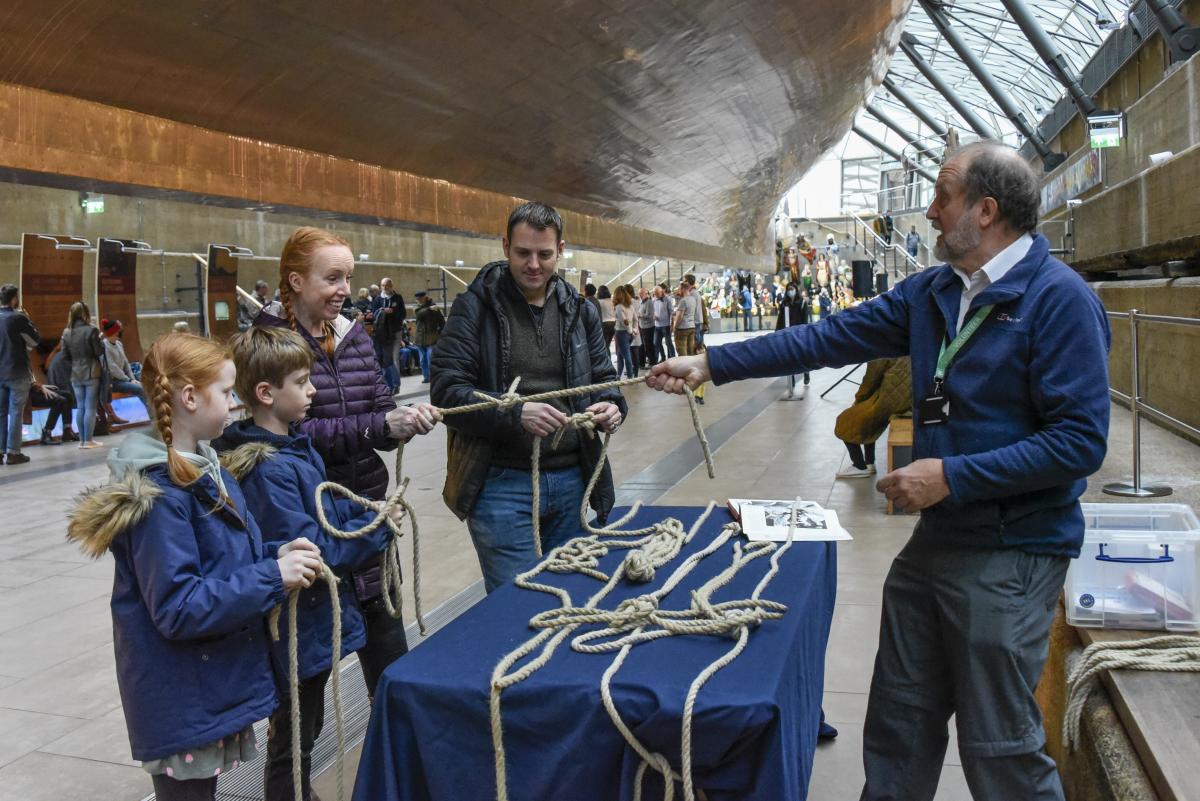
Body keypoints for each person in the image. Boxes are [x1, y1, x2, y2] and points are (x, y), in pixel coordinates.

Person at [647, 141, 1111, 801]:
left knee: (999, 746)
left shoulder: (1059, 301)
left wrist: (950, 475)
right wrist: (715, 364)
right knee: (900, 721)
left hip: (1013, 551)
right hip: (937, 544)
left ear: (985, 209)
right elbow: (828, 336)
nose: (929, 209)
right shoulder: (932, 294)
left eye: (943, 194)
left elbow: (1078, 441)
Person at [66, 331, 324, 801]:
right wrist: (271, 577)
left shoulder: (206, 467)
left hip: (206, 684)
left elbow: (225, 563)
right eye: (226, 393)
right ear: (189, 397)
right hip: (182, 694)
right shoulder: (161, 495)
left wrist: (275, 556)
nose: (236, 404)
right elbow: (179, 606)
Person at [214, 327, 403, 801]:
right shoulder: (268, 468)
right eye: (302, 382)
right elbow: (314, 548)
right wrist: (376, 531)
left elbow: (326, 512)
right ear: (266, 394)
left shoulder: (296, 448)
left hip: (311, 626)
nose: (313, 390)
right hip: (295, 630)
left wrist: (366, 514)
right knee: (295, 735)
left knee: (304, 726)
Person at [255, 226, 440, 696]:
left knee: (390, 660)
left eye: (349, 278)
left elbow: (379, 405)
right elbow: (289, 436)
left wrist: (402, 420)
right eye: (333, 278)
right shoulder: (270, 344)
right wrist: (377, 427)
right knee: (306, 693)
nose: (345, 291)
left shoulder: (353, 333)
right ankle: (291, 769)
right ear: (296, 281)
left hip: (370, 518)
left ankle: (393, 763)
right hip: (310, 527)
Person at [431, 201, 627, 593]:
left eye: (544, 254)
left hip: (573, 477)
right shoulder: (474, 308)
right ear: (505, 247)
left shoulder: (579, 310)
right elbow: (447, 392)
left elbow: (605, 378)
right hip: (501, 483)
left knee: (574, 595)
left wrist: (611, 405)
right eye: (523, 253)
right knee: (516, 601)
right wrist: (513, 413)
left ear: (561, 250)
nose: (534, 264)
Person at [834, 357, 912, 477]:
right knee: (869, 417)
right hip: (911, 401)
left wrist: (859, 399)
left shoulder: (882, 346)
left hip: (891, 401)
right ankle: (870, 462)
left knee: (845, 420)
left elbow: (871, 380)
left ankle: (859, 466)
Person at [0, 284, 39, 465]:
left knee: (1, 413)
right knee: (16, 412)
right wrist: (28, 320)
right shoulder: (18, 318)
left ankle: (0, 452)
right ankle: (13, 452)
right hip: (17, 371)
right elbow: (34, 340)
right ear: (14, 299)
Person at [61, 301, 105, 449]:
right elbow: (99, 352)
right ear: (85, 313)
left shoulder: (66, 332)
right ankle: (89, 440)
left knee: (80, 407)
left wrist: (74, 366)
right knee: (90, 407)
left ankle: (81, 441)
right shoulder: (91, 330)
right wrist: (100, 340)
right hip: (91, 372)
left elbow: (64, 355)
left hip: (75, 374)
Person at [101, 319, 151, 420]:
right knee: (139, 389)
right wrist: (128, 380)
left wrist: (133, 379)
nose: (120, 332)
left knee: (145, 385)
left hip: (123, 379)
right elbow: (113, 368)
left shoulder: (119, 344)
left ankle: (155, 412)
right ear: (113, 332)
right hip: (112, 382)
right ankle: (153, 416)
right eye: (118, 330)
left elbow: (126, 364)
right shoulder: (104, 346)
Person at [373, 277, 407, 394]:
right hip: (382, 333)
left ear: (391, 286)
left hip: (395, 331)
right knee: (384, 359)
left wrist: (393, 312)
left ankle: (396, 384)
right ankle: (388, 384)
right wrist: (381, 311)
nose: (385, 288)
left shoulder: (397, 298)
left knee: (393, 358)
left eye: (387, 285)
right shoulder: (378, 299)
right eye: (382, 286)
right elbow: (374, 313)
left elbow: (403, 314)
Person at [774, 283, 811, 387]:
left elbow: (805, 319)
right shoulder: (784, 303)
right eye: (788, 289)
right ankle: (792, 378)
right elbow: (780, 318)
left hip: (800, 333)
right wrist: (777, 331)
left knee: (802, 356)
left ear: (796, 290)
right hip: (788, 334)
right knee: (790, 357)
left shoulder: (802, 303)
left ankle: (806, 373)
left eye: (792, 289)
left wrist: (804, 332)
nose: (790, 291)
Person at [413, 290, 445, 384]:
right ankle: (426, 376)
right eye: (417, 299)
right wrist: (429, 309)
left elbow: (441, 320)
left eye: (420, 299)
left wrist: (441, 331)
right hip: (420, 337)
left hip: (432, 337)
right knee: (422, 359)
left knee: (431, 357)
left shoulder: (434, 306)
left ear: (425, 298)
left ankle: (432, 376)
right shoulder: (417, 307)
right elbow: (419, 314)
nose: (418, 301)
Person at [612, 285, 637, 379]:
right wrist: (634, 330)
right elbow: (636, 319)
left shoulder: (618, 307)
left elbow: (624, 321)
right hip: (629, 334)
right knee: (620, 354)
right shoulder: (630, 306)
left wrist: (630, 331)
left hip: (622, 333)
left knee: (626, 355)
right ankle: (618, 375)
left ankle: (630, 376)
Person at [652, 284, 675, 361]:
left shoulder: (668, 299)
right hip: (657, 325)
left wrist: (672, 324)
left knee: (668, 343)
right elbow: (653, 311)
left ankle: (673, 359)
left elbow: (672, 312)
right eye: (655, 294)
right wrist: (653, 316)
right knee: (656, 344)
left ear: (661, 291)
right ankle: (658, 360)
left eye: (657, 294)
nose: (656, 295)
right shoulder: (654, 300)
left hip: (666, 325)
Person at [637, 287, 656, 368]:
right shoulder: (642, 302)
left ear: (646, 293)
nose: (640, 295)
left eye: (641, 293)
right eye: (639, 293)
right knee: (643, 345)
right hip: (642, 326)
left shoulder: (649, 302)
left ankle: (653, 362)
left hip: (648, 327)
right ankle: (644, 361)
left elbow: (650, 315)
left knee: (649, 345)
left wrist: (640, 316)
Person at [597, 284, 616, 354]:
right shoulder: (611, 301)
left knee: (605, 345)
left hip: (604, 324)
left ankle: (607, 361)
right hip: (613, 323)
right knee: (607, 344)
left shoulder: (599, 302)